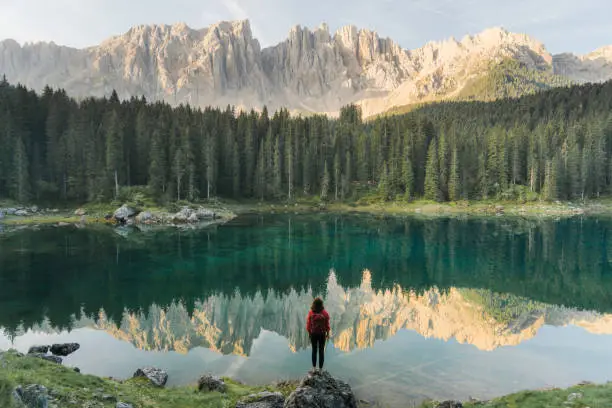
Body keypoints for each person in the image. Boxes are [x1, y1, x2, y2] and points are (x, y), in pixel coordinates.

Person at [306, 297, 330, 370]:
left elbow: (308, 325)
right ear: (321, 304)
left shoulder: (311, 313)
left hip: (313, 334)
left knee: (314, 350)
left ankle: (313, 368)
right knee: (321, 351)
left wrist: (310, 333)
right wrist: (327, 334)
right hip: (322, 334)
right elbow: (327, 325)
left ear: (314, 304)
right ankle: (320, 370)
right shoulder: (325, 313)